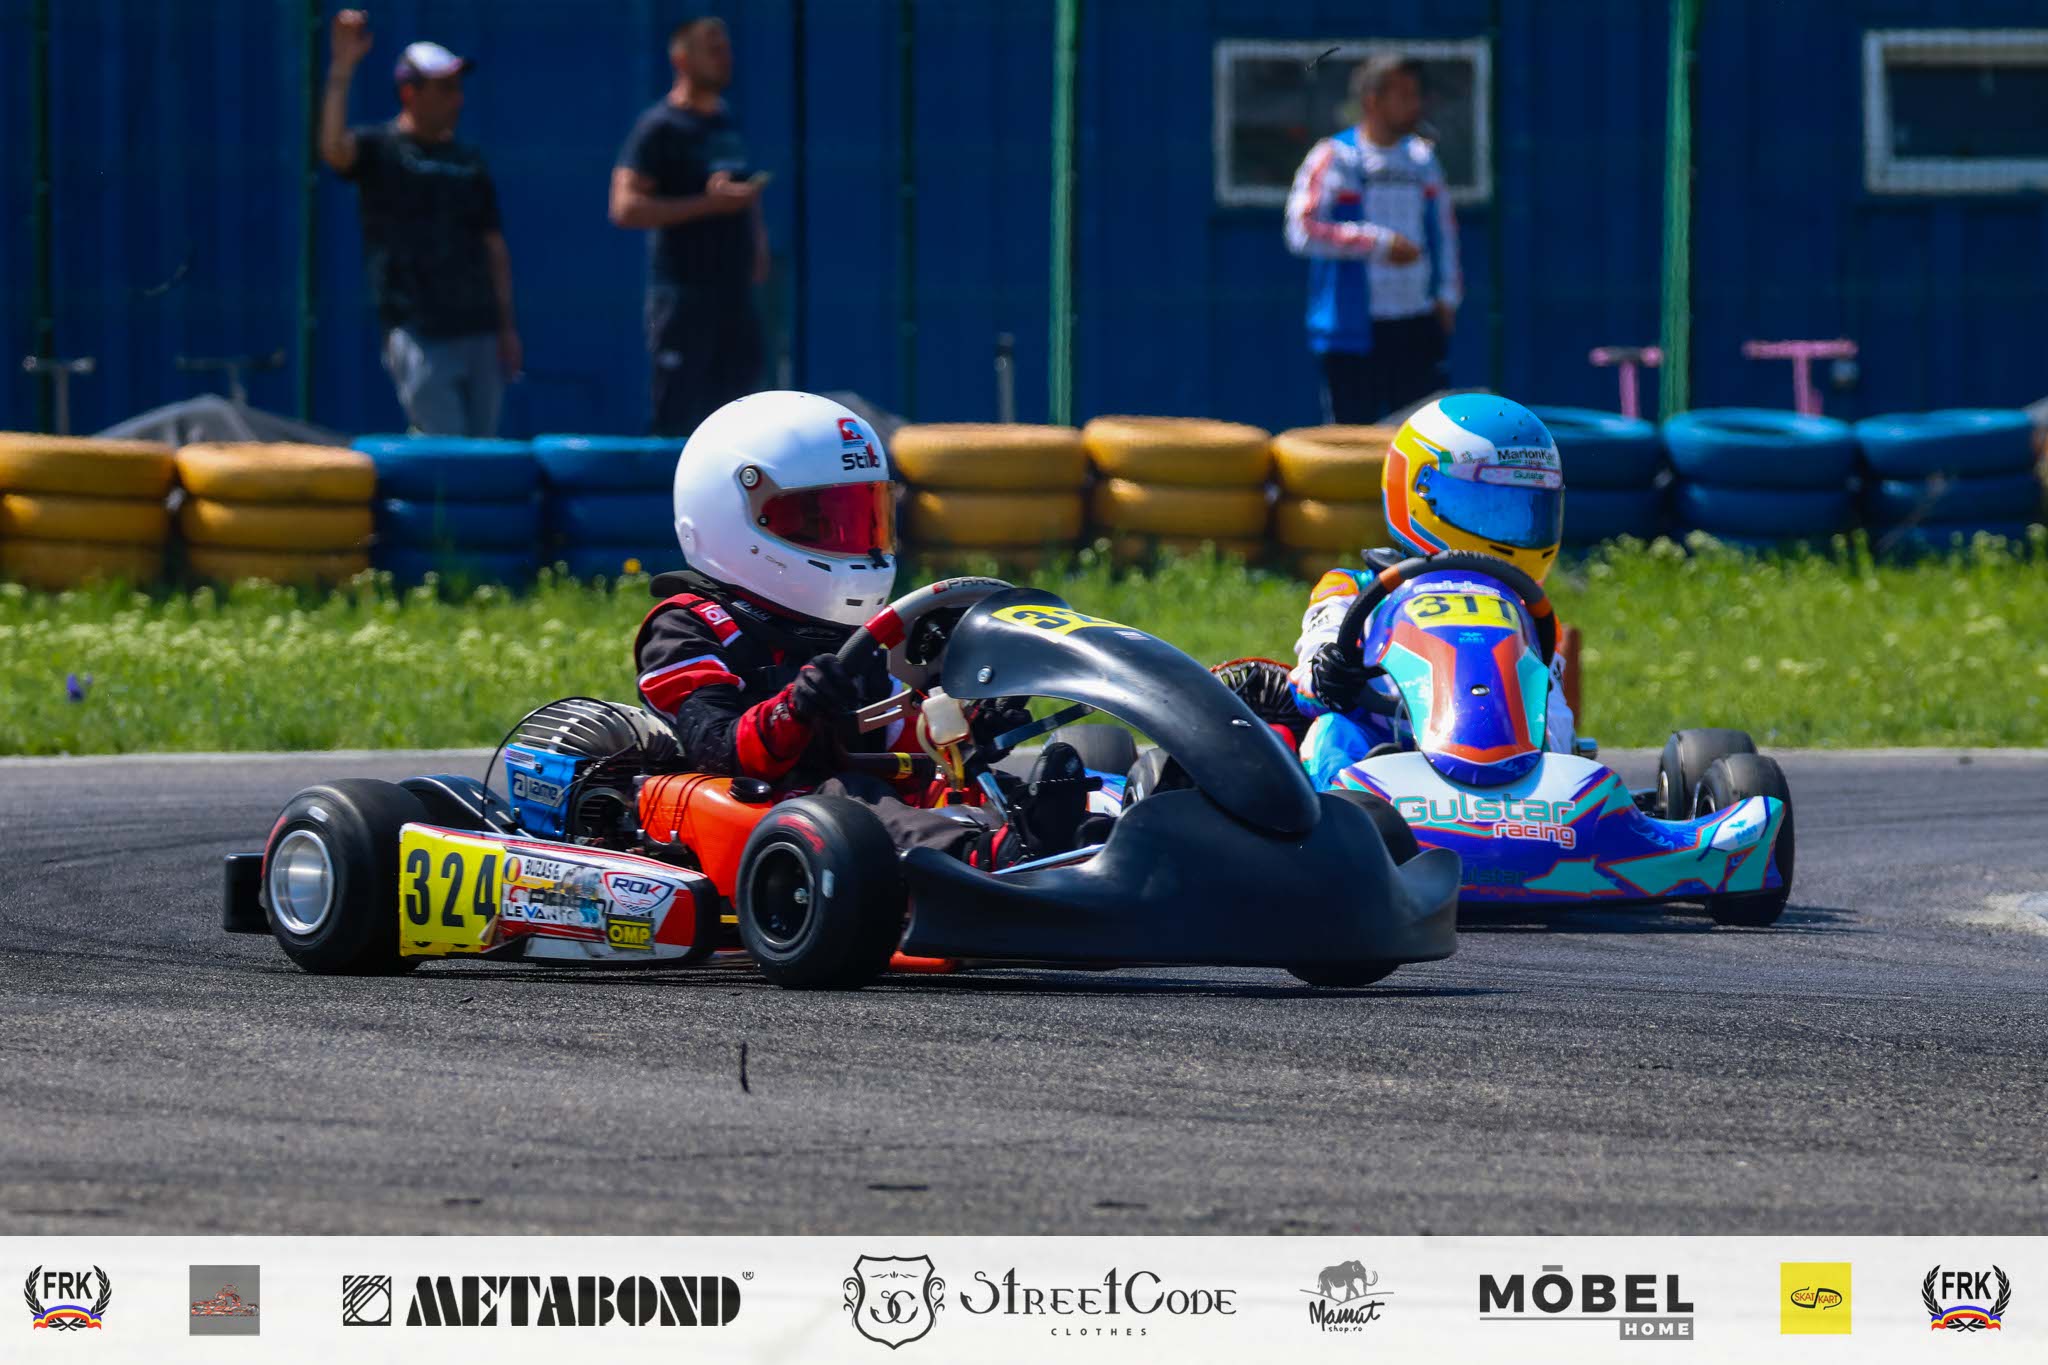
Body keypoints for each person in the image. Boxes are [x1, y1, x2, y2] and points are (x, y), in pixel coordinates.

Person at [635, 390, 1092, 867]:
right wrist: (794, 709)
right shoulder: (688, 626)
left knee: (960, 781)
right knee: (850, 795)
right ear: (727, 516)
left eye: (860, 520)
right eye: (820, 523)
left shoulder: (846, 631)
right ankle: (980, 857)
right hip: (766, 811)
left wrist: (969, 729)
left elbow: (899, 735)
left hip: (860, 807)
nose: (850, 543)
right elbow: (716, 751)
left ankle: (1080, 832)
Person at [1289, 395, 1576, 789]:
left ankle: (1543, 800)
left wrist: (1560, 763)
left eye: (1524, 511)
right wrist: (1328, 672)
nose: (1507, 526)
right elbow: (1311, 669)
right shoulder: (1353, 590)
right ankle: (1346, 814)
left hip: (1509, 762)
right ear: (1419, 488)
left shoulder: (1530, 612)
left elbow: (1554, 715)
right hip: (1384, 756)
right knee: (1332, 732)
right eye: (1485, 507)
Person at [318, 10, 521, 436]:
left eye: (457, 88)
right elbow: (334, 149)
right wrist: (342, 68)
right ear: (409, 93)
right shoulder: (379, 149)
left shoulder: (468, 160)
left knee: (484, 454)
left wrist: (506, 327)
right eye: (444, 89)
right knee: (446, 449)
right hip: (419, 330)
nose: (457, 99)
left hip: (480, 330)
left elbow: (494, 246)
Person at [610, 17, 770, 437]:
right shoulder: (659, 126)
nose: (725, 59)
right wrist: (707, 204)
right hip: (682, 295)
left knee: (739, 414)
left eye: (726, 49)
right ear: (681, 59)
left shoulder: (724, 120)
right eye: (713, 50)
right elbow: (624, 208)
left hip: (734, 292)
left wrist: (757, 241)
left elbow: (740, 191)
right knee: (677, 414)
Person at [1284, 55, 1463, 424]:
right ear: (1372, 101)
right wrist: (1378, 243)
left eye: (1417, 95)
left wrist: (1448, 296)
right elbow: (1301, 230)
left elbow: (1445, 232)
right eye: (1404, 95)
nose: (1415, 104)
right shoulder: (1335, 156)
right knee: (1353, 441)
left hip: (1416, 325)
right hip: (1352, 331)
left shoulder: (1422, 159)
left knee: (1424, 436)